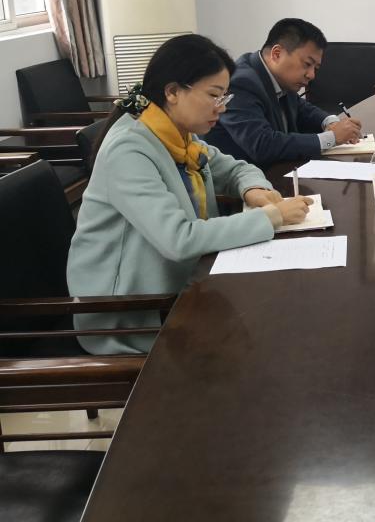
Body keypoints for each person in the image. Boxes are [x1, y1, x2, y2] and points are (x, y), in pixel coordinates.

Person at [67, 34, 312, 354]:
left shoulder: (178, 135)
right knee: (265, 339)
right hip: (131, 312)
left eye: (224, 96)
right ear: (172, 92)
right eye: (213, 95)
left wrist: (254, 189)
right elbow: (178, 239)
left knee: (274, 320)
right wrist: (272, 216)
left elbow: (236, 168)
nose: (221, 108)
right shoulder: (128, 150)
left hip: (184, 285)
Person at [206, 18, 362, 167]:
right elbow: (262, 145)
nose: (311, 75)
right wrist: (332, 137)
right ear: (277, 54)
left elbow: (302, 109)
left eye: (315, 68)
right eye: (307, 64)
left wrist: (330, 122)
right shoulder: (240, 82)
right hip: (241, 180)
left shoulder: (281, 79)